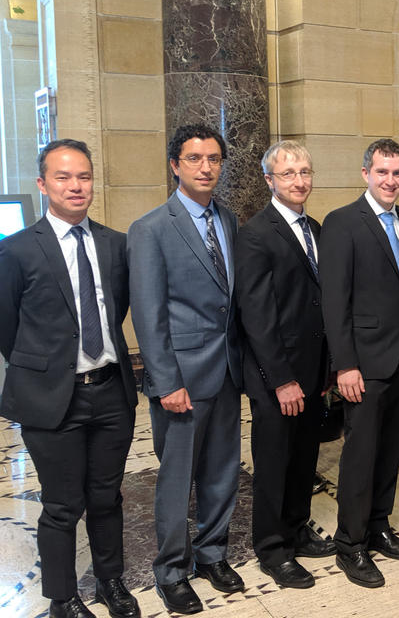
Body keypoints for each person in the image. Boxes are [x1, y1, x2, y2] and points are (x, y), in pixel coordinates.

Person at [0, 140, 140, 618]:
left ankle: (110, 582)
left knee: (106, 496)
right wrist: (46, 369)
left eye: (83, 176)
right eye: (63, 177)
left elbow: (116, 310)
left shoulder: (115, 243)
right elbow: (8, 328)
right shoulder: (16, 250)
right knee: (62, 504)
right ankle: (62, 598)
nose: (75, 185)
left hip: (110, 393)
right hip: (51, 399)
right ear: (42, 185)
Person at [128, 125, 244, 614]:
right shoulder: (151, 228)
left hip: (227, 370)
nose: (206, 168)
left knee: (223, 470)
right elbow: (148, 313)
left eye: (214, 159)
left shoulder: (230, 220)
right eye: (195, 159)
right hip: (181, 379)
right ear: (175, 165)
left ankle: (212, 554)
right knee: (177, 479)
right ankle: (172, 571)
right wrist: (165, 381)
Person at [319, 138, 399, 588]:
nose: (391, 181)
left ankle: (379, 526)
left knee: (390, 452)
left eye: (398, 173)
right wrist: (344, 365)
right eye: (382, 172)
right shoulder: (342, 223)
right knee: (360, 456)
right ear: (365, 173)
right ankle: (351, 542)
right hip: (362, 364)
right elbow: (333, 301)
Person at [235, 141, 336, 590]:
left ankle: (297, 530)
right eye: (289, 173)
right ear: (269, 180)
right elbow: (256, 316)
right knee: (274, 466)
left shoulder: (315, 228)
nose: (299, 180)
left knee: (303, 460)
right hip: (278, 378)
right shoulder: (256, 233)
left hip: (313, 373)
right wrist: (282, 380)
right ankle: (272, 549)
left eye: (305, 172)